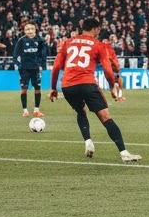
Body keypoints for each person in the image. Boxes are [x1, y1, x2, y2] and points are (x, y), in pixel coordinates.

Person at [50, 17, 140, 163]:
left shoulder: (68, 42)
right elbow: (107, 69)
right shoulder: (99, 45)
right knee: (105, 117)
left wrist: (53, 88)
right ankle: (124, 153)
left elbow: (55, 67)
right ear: (95, 29)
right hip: (87, 83)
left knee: (80, 111)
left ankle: (88, 141)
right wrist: (112, 87)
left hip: (67, 85)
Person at [12, 21, 49, 118]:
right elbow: (15, 57)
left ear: (35, 29)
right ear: (24, 31)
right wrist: (20, 66)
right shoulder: (21, 41)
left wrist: (42, 65)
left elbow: (43, 55)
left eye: (32, 29)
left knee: (38, 89)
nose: (30, 31)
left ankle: (36, 110)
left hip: (36, 69)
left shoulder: (40, 40)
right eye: (27, 29)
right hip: (24, 70)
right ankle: (25, 111)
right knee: (24, 89)